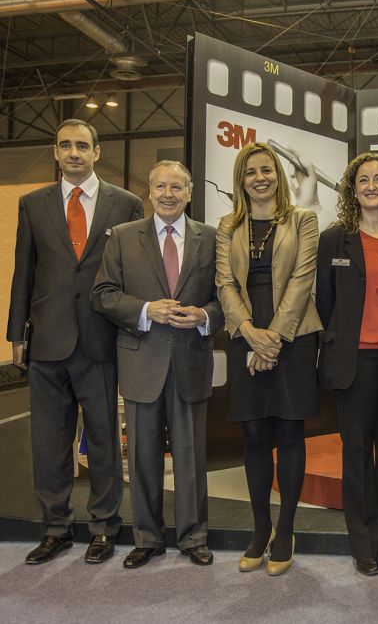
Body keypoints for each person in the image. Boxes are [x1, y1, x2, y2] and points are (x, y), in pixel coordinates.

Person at [7, 119, 143, 565]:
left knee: (104, 438)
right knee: (49, 441)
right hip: (46, 339)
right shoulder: (33, 204)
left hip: (101, 340)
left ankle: (104, 526)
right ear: (56, 151)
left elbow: (132, 276)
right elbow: (23, 273)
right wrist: (14, 334)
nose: (74, 153)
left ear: (97, 152)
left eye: (82, 145)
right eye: (65, 145)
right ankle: (56, 528)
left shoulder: (125, 204)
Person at [92, 161, 222, 569]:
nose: (168, 194)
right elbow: (103, 293)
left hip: (189, 363)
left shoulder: (212, 238)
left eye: (177, 187)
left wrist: (204, 317)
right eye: (161, 186)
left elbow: (225, 297)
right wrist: (147, 309)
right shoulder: (124, 238)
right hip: (141, 362)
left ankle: (193, 537)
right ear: (149, 191)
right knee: (143, 458)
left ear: (189, 192)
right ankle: (146, 539)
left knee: (190, 458)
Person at [216, 142, 322, 576]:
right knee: (255, 437)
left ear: (278, 175)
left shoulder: (304, 219)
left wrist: (274, 338)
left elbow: (303, 278)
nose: (259, 178)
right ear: (241, 180)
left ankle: (286, 530)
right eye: (250, 172)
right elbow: (224, 283)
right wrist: (250, 335)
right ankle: (260, 530)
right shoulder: (227, 225)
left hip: (293, 337)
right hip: (246, 336)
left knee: (290, 435)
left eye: (267, 170)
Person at [316, 153, 378, 577]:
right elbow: (325, 301)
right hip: (354, 358)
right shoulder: (334, 239)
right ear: (352, 189)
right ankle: (363, 544)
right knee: (356, 452)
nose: (372, 186)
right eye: (363, 180)